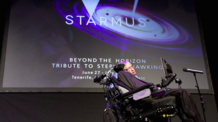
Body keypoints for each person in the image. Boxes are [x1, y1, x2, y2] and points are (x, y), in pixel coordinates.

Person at [114, 61, 204, 122]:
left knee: (180, 96)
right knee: (181, 92)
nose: (132, 69)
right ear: (124, 70)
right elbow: (137, 87)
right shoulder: (123, 74)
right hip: (147, 99)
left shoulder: (129, 76)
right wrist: (152, 86)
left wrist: (157, 86)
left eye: (132, 67)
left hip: (150, 94)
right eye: (129, 68)